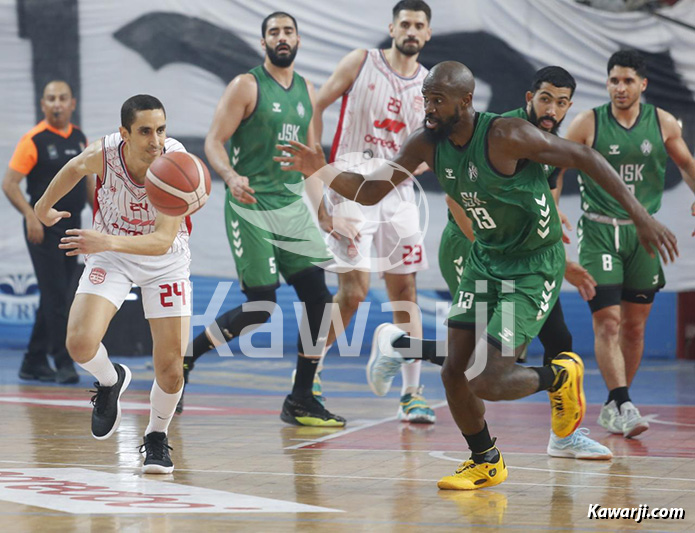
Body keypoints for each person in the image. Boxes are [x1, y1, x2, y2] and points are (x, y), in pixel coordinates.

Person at [276, 61, 677, 490]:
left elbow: (586, 157)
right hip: (486, 259)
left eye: (438, 100)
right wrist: (320, 168)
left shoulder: (506, 135)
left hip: (532, 266)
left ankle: (561, 376)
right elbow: (371, 191)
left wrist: (640, 217)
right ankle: (486, 460)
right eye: (426, 98)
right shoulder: (425, 143)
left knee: (486, 377)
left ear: (465, 101)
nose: (428, 108)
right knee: (454, 372)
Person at [179, 12, 345, 427]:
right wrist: (230, 175)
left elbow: (309, 161)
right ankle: (186, 357)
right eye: (274, 32)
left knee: (319, 299)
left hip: (290, 206)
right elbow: (214, 141)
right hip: (250, 204)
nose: (281, 37)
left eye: (288, 31)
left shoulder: (307, 90)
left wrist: (323, 211)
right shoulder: (246, 85)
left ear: (298, 40)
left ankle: (301, 398)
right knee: (261, 306)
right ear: (263, 42)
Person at [437, 67, 611, 460]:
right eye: (546, 99)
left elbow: (542, 206)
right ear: (530, 97)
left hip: (522, 257)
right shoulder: (507, 132)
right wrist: (491, 249)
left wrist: (561, 259)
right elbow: (454, 198)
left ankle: (562, 437)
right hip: (474, 246)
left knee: (556, 340)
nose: (552, 109)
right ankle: (400, 345)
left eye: (561, 102)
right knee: (478, 360)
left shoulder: (551, 145)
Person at [34, 94, 190, 474]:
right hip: (112, 256)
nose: (156, 140)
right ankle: (110, 379)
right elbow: (74, 167)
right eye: (145, 131)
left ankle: (156, 436)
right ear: (125, 133)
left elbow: (162, 241)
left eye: (161, 130)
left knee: (171, 368)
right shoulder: (105, 153)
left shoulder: (175, 163)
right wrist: (42, 206)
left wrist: (105, 241)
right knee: (79, 342)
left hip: (163, 261)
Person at [309, 0, 436, 424]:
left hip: (399, 192)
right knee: (354, 292)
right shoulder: (361, 61)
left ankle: (412, 393)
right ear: (392, 27)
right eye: (406, 23)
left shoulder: (430, 85)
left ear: (428, 33)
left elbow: (432, 147)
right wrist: (318, 163)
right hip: (351, 183)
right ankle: (308, 373)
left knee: (405, 293)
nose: (412, 30)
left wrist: (418, 166)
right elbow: (316, 104)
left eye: (419, 25)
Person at [561, 50, 695, 438]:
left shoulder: (662, 122)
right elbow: (555, 168)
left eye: (628, 81)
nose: (620, 88)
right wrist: (551, 208)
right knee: (608, 322)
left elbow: (686, 164)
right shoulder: (588, 122)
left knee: (634, 329)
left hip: (644, 234)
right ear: (607, 83)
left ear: (643, 84)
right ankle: (623, 402)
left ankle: (614, 404)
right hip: (599, 231)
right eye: (614, 80)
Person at [2, 80, 92, 384]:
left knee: (59, 294)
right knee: (57, 298)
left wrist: (101, 216)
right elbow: (9, 184)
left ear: (72, 104)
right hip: (43, 229)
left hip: (72, 227)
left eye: (62, 98)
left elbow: (87, 183)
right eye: (51, 98)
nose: (57, 104)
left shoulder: (79, 138)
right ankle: (63, 362)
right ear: (43, 105)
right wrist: (31, 216)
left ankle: (33, 360)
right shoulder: (34, 140)